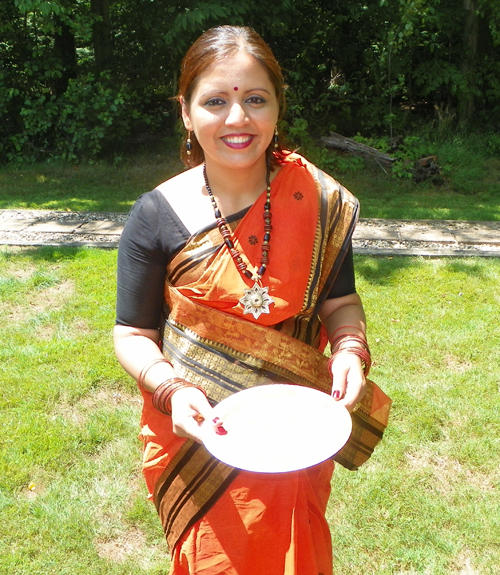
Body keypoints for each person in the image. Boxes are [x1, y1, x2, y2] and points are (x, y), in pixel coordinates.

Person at [114, 25, 373, 575]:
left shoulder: (318, 202)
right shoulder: (156, 216)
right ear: (186, 112)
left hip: (298, 433)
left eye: (255, 99)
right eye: (215, 101)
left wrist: (349, 347)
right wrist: (170, 390)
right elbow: (134, 334)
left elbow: (340, 303)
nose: (237, 119)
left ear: (277, 107)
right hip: (199, 436)